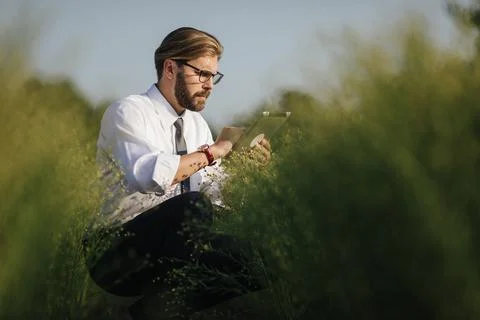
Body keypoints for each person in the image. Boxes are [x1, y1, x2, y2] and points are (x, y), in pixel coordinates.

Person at [83, 27, 272, 319]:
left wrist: (249, 171)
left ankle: (150, 312)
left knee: (260, 258)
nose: (210, 85)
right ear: (171, 68)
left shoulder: (197, 125)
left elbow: (218, 197)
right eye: (203, 74)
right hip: (115, 251)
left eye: (214, 77)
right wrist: (213, 152)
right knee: (192, 207)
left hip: (173, 245)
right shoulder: (128, 111)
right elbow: (145, 176)